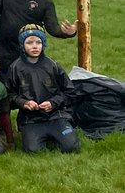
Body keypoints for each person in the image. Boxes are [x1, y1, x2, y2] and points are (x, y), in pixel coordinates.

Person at [5, 25, 80, 154]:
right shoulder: (15, 68)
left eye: (38, 42)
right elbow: (8, 96)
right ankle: (36, 135)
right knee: (32, 150)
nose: (34, 46)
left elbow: (70, 92)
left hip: (56, 116)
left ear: (43, 44)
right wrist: (23, 103)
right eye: (29, 42)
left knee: (71, 147)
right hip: (30, 119)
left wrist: (53, 103)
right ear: (22, 45)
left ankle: (60, 133)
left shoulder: (53, 65)